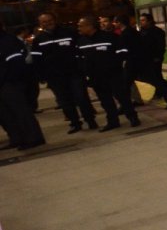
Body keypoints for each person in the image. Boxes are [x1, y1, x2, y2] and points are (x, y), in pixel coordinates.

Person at [31, 12, 98, 133]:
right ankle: (75, 123)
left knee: (81, 97)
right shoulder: (38, 40)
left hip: (74, 72)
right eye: (44, 22)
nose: (48, 23)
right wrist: (41, 75)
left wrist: (82, 66)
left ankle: (90, 120)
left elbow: (81, 48)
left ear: (54, 20)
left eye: (50, 20)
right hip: (55, 76)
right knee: (65, 101)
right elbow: (36, 59)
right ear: (40, 24)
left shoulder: (68, 33)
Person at [77, 16, 140, 131]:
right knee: (105, 100)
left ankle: (132, 117)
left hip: (113, 74)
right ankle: (113, 121)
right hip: (96, 77)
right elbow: (80, 58)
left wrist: (114, 64)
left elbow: (122, 51)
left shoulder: (109, 37)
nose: (79, 28)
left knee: (122, 97)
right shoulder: (81, 42)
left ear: (90, 26)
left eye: (81, 26)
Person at [0, 21, 45, 150]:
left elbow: (16, 62)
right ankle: (17, 138)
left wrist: (11, 79)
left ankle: (33, 137)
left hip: (10, 82)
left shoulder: (7, 40)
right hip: (5, 82)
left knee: (20, 111)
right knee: (6, 114)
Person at [137, 12, 167, 109]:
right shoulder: (142, 31)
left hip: (155, 59)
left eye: (143, 20)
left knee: (155, 77)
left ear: (149, 21)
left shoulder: (157, 31)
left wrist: (158, 57)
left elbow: (161, 46)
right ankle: (163, 89)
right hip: (146, 59)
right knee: (155, 77)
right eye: (140, 20)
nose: (141, 22)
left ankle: (164, 92)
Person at [112, 15, 145, 106]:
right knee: (128, 83)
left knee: (125, 84)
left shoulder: (126, 34)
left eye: (115, 22)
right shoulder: (130, 32)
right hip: (135, 60)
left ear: (120, 23)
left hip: (131, 61)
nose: (114, 24)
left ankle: (126, 105)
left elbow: (126, 49)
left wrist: (124, 59)